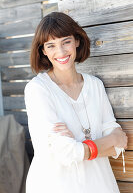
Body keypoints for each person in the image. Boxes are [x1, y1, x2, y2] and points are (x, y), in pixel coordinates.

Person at [24, 12, 128, 193]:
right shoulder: (37, 89)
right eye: (51, 45)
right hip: (55, 186)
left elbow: (118, 145)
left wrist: (79, 146)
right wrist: (108, 140)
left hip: (100, 184)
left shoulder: (95, 85)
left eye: (66, 41)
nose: (61, 52)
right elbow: (64, 153)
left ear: (77, 41)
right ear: (43, 51)